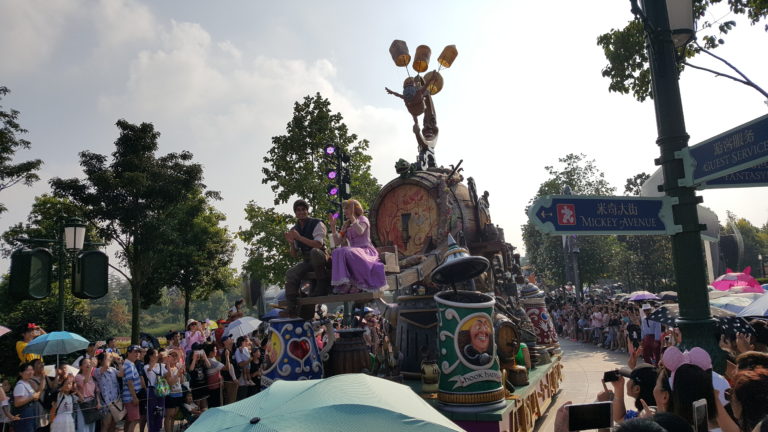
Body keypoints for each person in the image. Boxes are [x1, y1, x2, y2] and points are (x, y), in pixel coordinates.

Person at [329, 199, 387, 294]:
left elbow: (360, 231)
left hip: (366, 251)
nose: (344, 211)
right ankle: (344, 282)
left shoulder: (363, 219)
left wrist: (352, 218)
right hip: (353, 251)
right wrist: (333, 227)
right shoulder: (347, 224)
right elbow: (337, 242)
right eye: (344, 208)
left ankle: (355, 283)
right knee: (337, 251)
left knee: (345, 251)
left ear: (354, 208)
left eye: (347, 208)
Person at [284, 199, 330, 318]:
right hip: (307, 261)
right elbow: (294, 255)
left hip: (321, 257)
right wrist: (291, 242)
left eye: (303, 209)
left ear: (307, 211)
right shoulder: (294, 229)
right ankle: (292, 307)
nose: (301, 212)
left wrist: (299, 238)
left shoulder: (317, 223)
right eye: (298, 210)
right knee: (290, 273)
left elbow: (318, 245)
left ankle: (322, 285)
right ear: (295, 213)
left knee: (314, 252)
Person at [93, 353, 120, 432]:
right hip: (106, 403)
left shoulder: (113, 369)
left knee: (114, 424)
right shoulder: (97, 371)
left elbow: (121, 374)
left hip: (116, 401)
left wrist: (119, 363)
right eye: (106, 358)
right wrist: (108, 355)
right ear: (100, 361)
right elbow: (106, 366)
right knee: (106, 424)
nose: (109, 359)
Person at [13, 363, 41, 432]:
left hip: (31, 413)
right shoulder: (20, 385)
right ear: (21, 373)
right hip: (24, 415)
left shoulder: (28, 383)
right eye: (27, 370)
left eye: (32, 370)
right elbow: (17, 403)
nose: (31, 372)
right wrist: (31, 397)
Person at [143, 349, 165, 432]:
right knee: (152, 412)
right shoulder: (146, 366)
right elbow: (149, 369)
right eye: (155, 354)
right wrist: (157, 358)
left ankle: (158, 429)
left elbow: (167, 374)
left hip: (161, 390)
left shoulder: (161, 365)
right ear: (150, 356)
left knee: (160, 411)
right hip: (152, 390)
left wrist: (168, 362)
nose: (157, 355)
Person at [121, 346, 143, 432]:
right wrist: (135, 397)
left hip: (128, 397)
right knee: (134, 420)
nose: (137, 354)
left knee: (129, 420)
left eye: (138, 352)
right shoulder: (129, 365)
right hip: (130, 397)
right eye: (135, 352)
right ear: (129, 353)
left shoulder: (129, 363)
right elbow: (129, 383)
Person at [74, 358, 99, 432]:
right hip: (83, 404)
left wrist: (98, 402)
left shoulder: (92, 377)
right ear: (81, 367)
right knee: (83, 426)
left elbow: (96, 391)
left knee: (92, 426)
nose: (88, 364)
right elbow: (86, 381)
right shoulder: (78, 376)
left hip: (92, 403)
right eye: (85, 363)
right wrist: (91, 366)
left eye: (89, 362)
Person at [163, 352, 183, 432]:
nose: (175, 358)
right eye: (172, 356)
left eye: (176, 356)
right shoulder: (166, 368)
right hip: (171, 394)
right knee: (169, 416)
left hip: (179, 393)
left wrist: (181, 374)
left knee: (174, 415)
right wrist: (178, 374)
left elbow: (181, 381)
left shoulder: (177, 367)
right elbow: (170, 382)